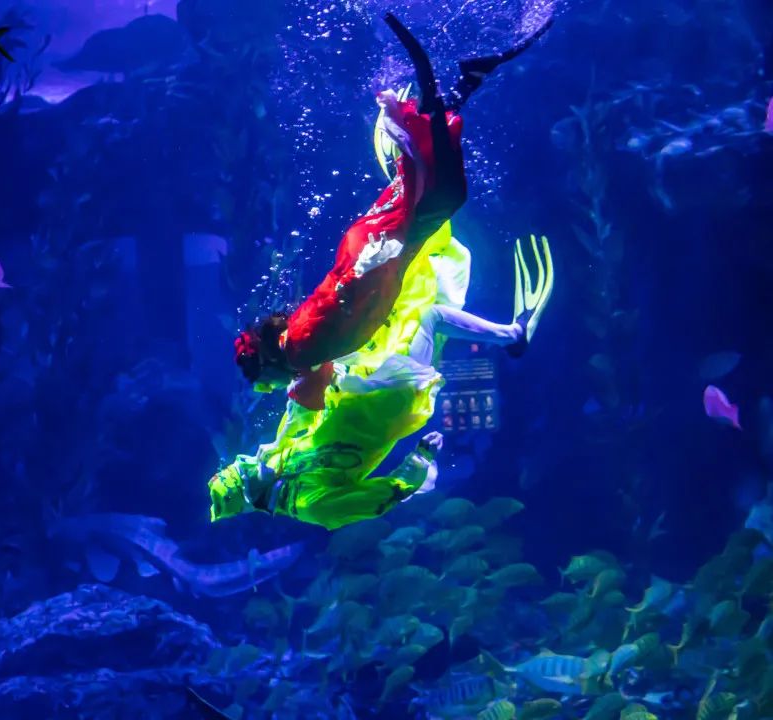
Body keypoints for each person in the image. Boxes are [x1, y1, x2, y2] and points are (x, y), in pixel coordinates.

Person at [234, 13, 552, 409]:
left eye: (265, 384)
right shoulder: (302, 350)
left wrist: (372, 264)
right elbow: (325, 350)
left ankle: (434, 96)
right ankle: (460, 87)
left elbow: (333, 310)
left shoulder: (300, 349)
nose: (272, 389)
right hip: (371, 258)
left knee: (440, 190)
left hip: (372, 259)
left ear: (267, 364)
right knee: (430, 184)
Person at [209, 232, 553, 531]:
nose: (251, 461)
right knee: (428, 317)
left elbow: (307, 419)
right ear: (252, 494)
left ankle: (508, 331)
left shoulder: (279, 463)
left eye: (243, 464)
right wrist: (418, 462)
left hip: (363, 389)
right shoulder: (310, 505)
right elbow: (376, 499)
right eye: (245, 473)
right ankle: (515, 335)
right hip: (388, 403)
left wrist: (315, 380)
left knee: (411, 311)